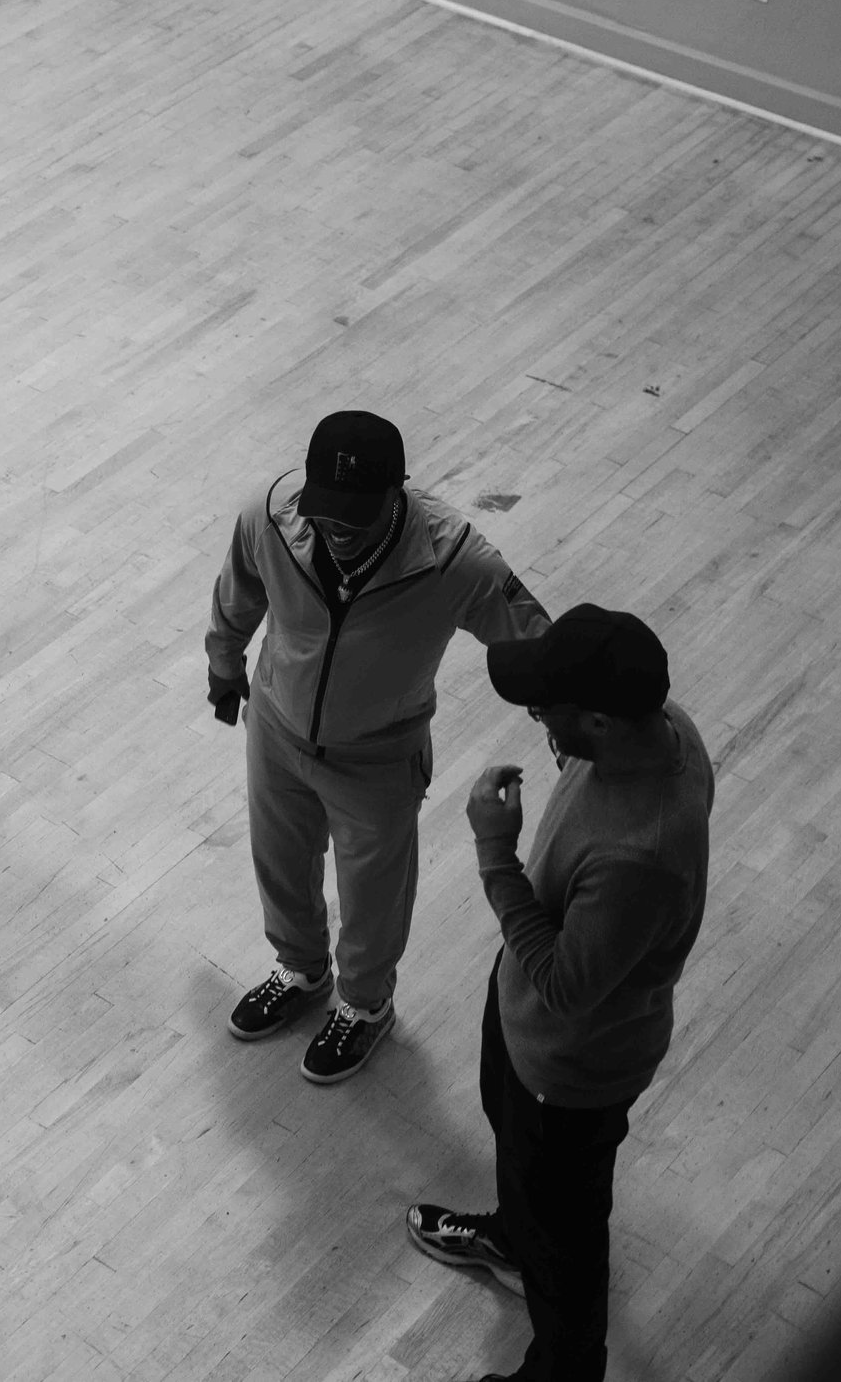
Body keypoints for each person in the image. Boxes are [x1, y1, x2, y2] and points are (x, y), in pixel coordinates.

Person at [409, 605, 712, 1382]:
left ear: (605, 722)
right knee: (525, 1178)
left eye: (549, 711)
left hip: (569, 1069)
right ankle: (516, 1237)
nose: (539, 720)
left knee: (569, 1257)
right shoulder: (661, 726)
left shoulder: (641, 856)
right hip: (526, 1026)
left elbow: (565, 986)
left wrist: (492, 851)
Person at [206, 410, 548, 1082]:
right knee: (278, 861)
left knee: (373, 897)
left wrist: (578, 725)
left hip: (378, 758)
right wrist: (223, 668)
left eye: (356, 515)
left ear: (400, 492)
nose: (336, 528)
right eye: (326, 511)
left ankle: (364, 1007)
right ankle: (301, 969)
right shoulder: (271, 518)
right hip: (276, 730)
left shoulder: (455, 558)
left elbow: (539, 644)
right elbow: (237, 594)